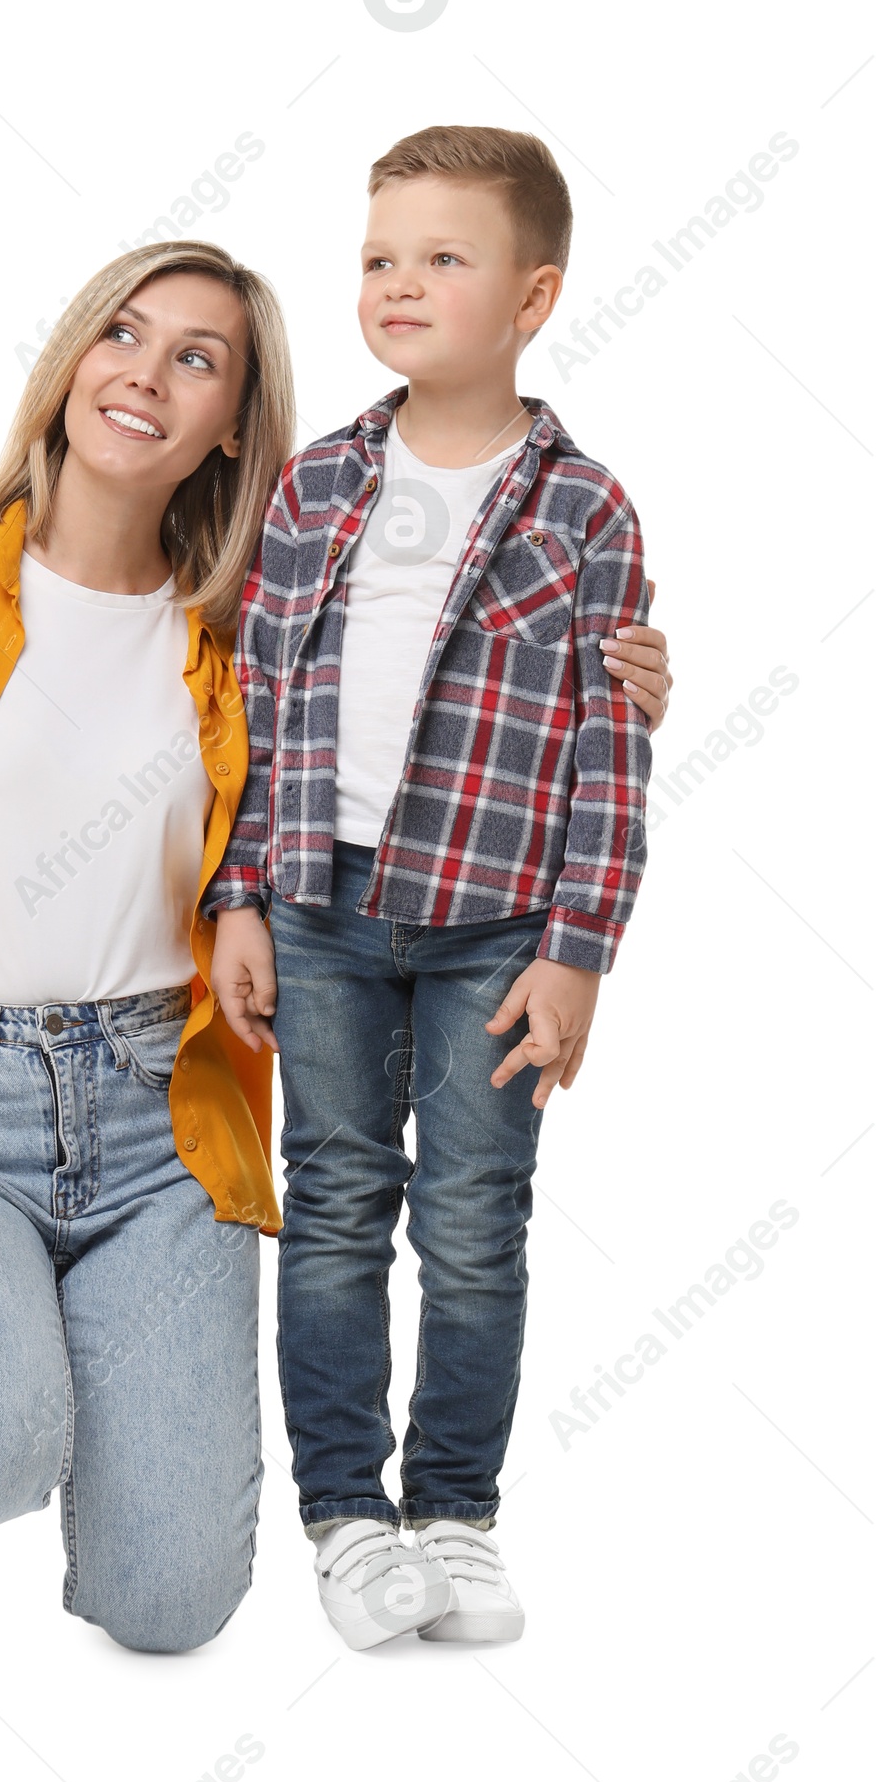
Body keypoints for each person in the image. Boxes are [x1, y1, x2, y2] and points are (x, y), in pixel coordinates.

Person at [0, 72, 673, 1654]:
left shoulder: (253, 633)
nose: (147, 373)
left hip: (166, 1125)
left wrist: (619, 672)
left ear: (235, 424)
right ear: (73, 359)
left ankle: (50, 1370)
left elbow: (420, 683)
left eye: (198, 357)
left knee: (170, 1611)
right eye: (124, 334)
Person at [208, 126, 660, 1649]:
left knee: (476, 1221)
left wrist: (579, 948)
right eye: (379, 258)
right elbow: (259, 706)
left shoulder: (585, 510)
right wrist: (241, 898)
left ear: (533, 296)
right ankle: (346, 1516)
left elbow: (612, 746)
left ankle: (454, 1512)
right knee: (336, 1207)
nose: (399, 284)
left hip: (497, 934)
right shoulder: (316, 482)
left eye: (442, 259)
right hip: (325, 917)